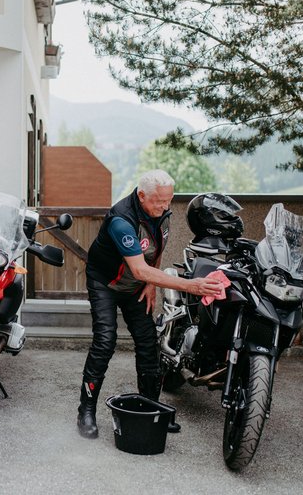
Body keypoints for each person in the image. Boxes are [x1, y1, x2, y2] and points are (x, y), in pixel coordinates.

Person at [76, 169, 225, 439]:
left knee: (148, 343)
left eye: (169, 200)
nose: (165, 206)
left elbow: (155, 251)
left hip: (136, 285)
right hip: (106, 284)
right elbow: (140, 268)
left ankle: (151, 409)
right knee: (105, 342)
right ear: (141, 195)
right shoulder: (121, 220)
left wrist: (151, 284)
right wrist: (192, 285)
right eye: (159, 201)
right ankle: (85, 411)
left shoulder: (161, 212)